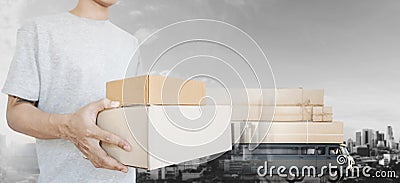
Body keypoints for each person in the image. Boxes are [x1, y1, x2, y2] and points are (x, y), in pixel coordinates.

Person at [2, 0, 141, 182]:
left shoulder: (131, 43)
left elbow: (135, 113)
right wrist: (69, 127)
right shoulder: (39, 30)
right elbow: (15, 112)